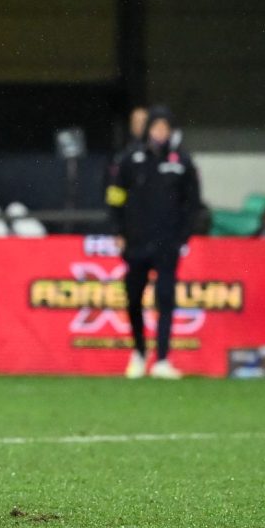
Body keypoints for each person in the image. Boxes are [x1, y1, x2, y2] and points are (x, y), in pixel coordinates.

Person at [106, 105, 200, 380]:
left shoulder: (182, 162)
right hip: (136, 243)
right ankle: (138, 353)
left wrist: (182, 237)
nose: (161, 132)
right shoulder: (130, 159)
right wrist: (119, 230)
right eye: (156, 127)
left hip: (167, 244)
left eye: (165, 128)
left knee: (166, 298)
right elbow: (115, 196)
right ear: (148, 130)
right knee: (133, 298)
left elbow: (192, 203)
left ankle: (162, 359)